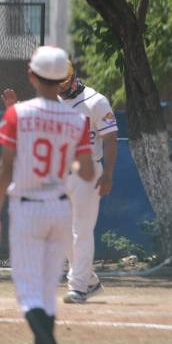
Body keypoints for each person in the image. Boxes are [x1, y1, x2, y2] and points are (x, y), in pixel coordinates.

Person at [0, 46, 94, 344]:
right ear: (63, 80)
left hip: (28, 208)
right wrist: (68, 162)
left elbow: (5, 167)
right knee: (47, 295)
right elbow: (88, 173)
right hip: (62, 208)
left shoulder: (18, 113)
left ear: (31, 76)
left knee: (29, 294)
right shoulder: (78, 118)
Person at [58, 62, 118, 304]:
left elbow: (111, 139)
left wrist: (108, 173)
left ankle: (79, 286)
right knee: (62, 232)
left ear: (74, 78)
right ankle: (90, 281)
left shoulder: (96, 101)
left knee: (81, 230)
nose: (60, 90)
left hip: (88, 170)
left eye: (63, 85)